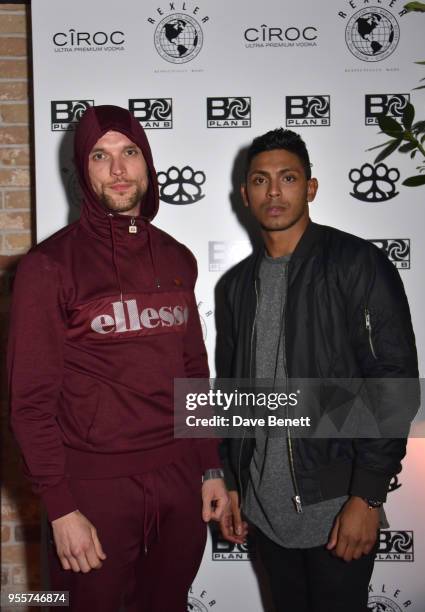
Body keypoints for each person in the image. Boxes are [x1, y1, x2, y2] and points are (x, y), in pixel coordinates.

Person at [8, 104, 228, 612]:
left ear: (147, 163)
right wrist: (62, 508)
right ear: (83, 172)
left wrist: (210, 467)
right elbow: (30, 402)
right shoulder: (48, 266)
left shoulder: (177, 257)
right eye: (101, 157)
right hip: (95, 489)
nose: (118, 169)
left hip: (178, 481)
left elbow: (193, 370)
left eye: (129, 152)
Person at [217, 128, 418, 612]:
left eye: (287, 178)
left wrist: (367, 497)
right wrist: (233, 480)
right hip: (264, 514)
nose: (274, 191)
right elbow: (233, 393)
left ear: (310, 187)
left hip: (338, 508)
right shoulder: (236, 286)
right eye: (261, 180)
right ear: (245, 195)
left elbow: (394, 384)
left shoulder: (356, 264)